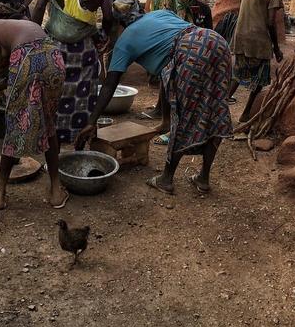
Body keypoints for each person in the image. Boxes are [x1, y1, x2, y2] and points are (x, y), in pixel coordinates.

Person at [75, 10, 232, 196]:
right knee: (216, 109)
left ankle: (166, 179)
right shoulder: (158, 14)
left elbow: (109, 85)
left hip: (190, 52)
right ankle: (203, 178)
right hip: (215, 40)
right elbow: (168, 75)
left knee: (183, 118)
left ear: (120, 25)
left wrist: (92, 121)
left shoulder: (125, 39)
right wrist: (164, 119)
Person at [32, 0, 113, 144]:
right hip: (85, 48)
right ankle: (81, 136)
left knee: (52, 91)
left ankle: (51, 140)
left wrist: (31, 38)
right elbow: (108, 15)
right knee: (83, 94)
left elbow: (40, 7)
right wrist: (104, 36)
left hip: (55, 46)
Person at [0, 20, 67, 210]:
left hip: (28, 58)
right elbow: (14, 74)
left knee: (14, 127)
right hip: (54, 57)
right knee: (49, 123)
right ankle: (56, 192)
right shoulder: (16, 27)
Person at [142, 0, 219, 124]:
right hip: (162, 28)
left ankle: (176, 114)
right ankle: (162, 109)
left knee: (178, 72)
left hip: (185, 29)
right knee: (164, 68)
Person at [226, 0, 286, 122]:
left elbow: (241, 7)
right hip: (259, 42)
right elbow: (271, 23)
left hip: (240, 37)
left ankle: (220, 108)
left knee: (237, 75)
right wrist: (276, 48)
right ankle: (245, 114)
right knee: (259, 80)